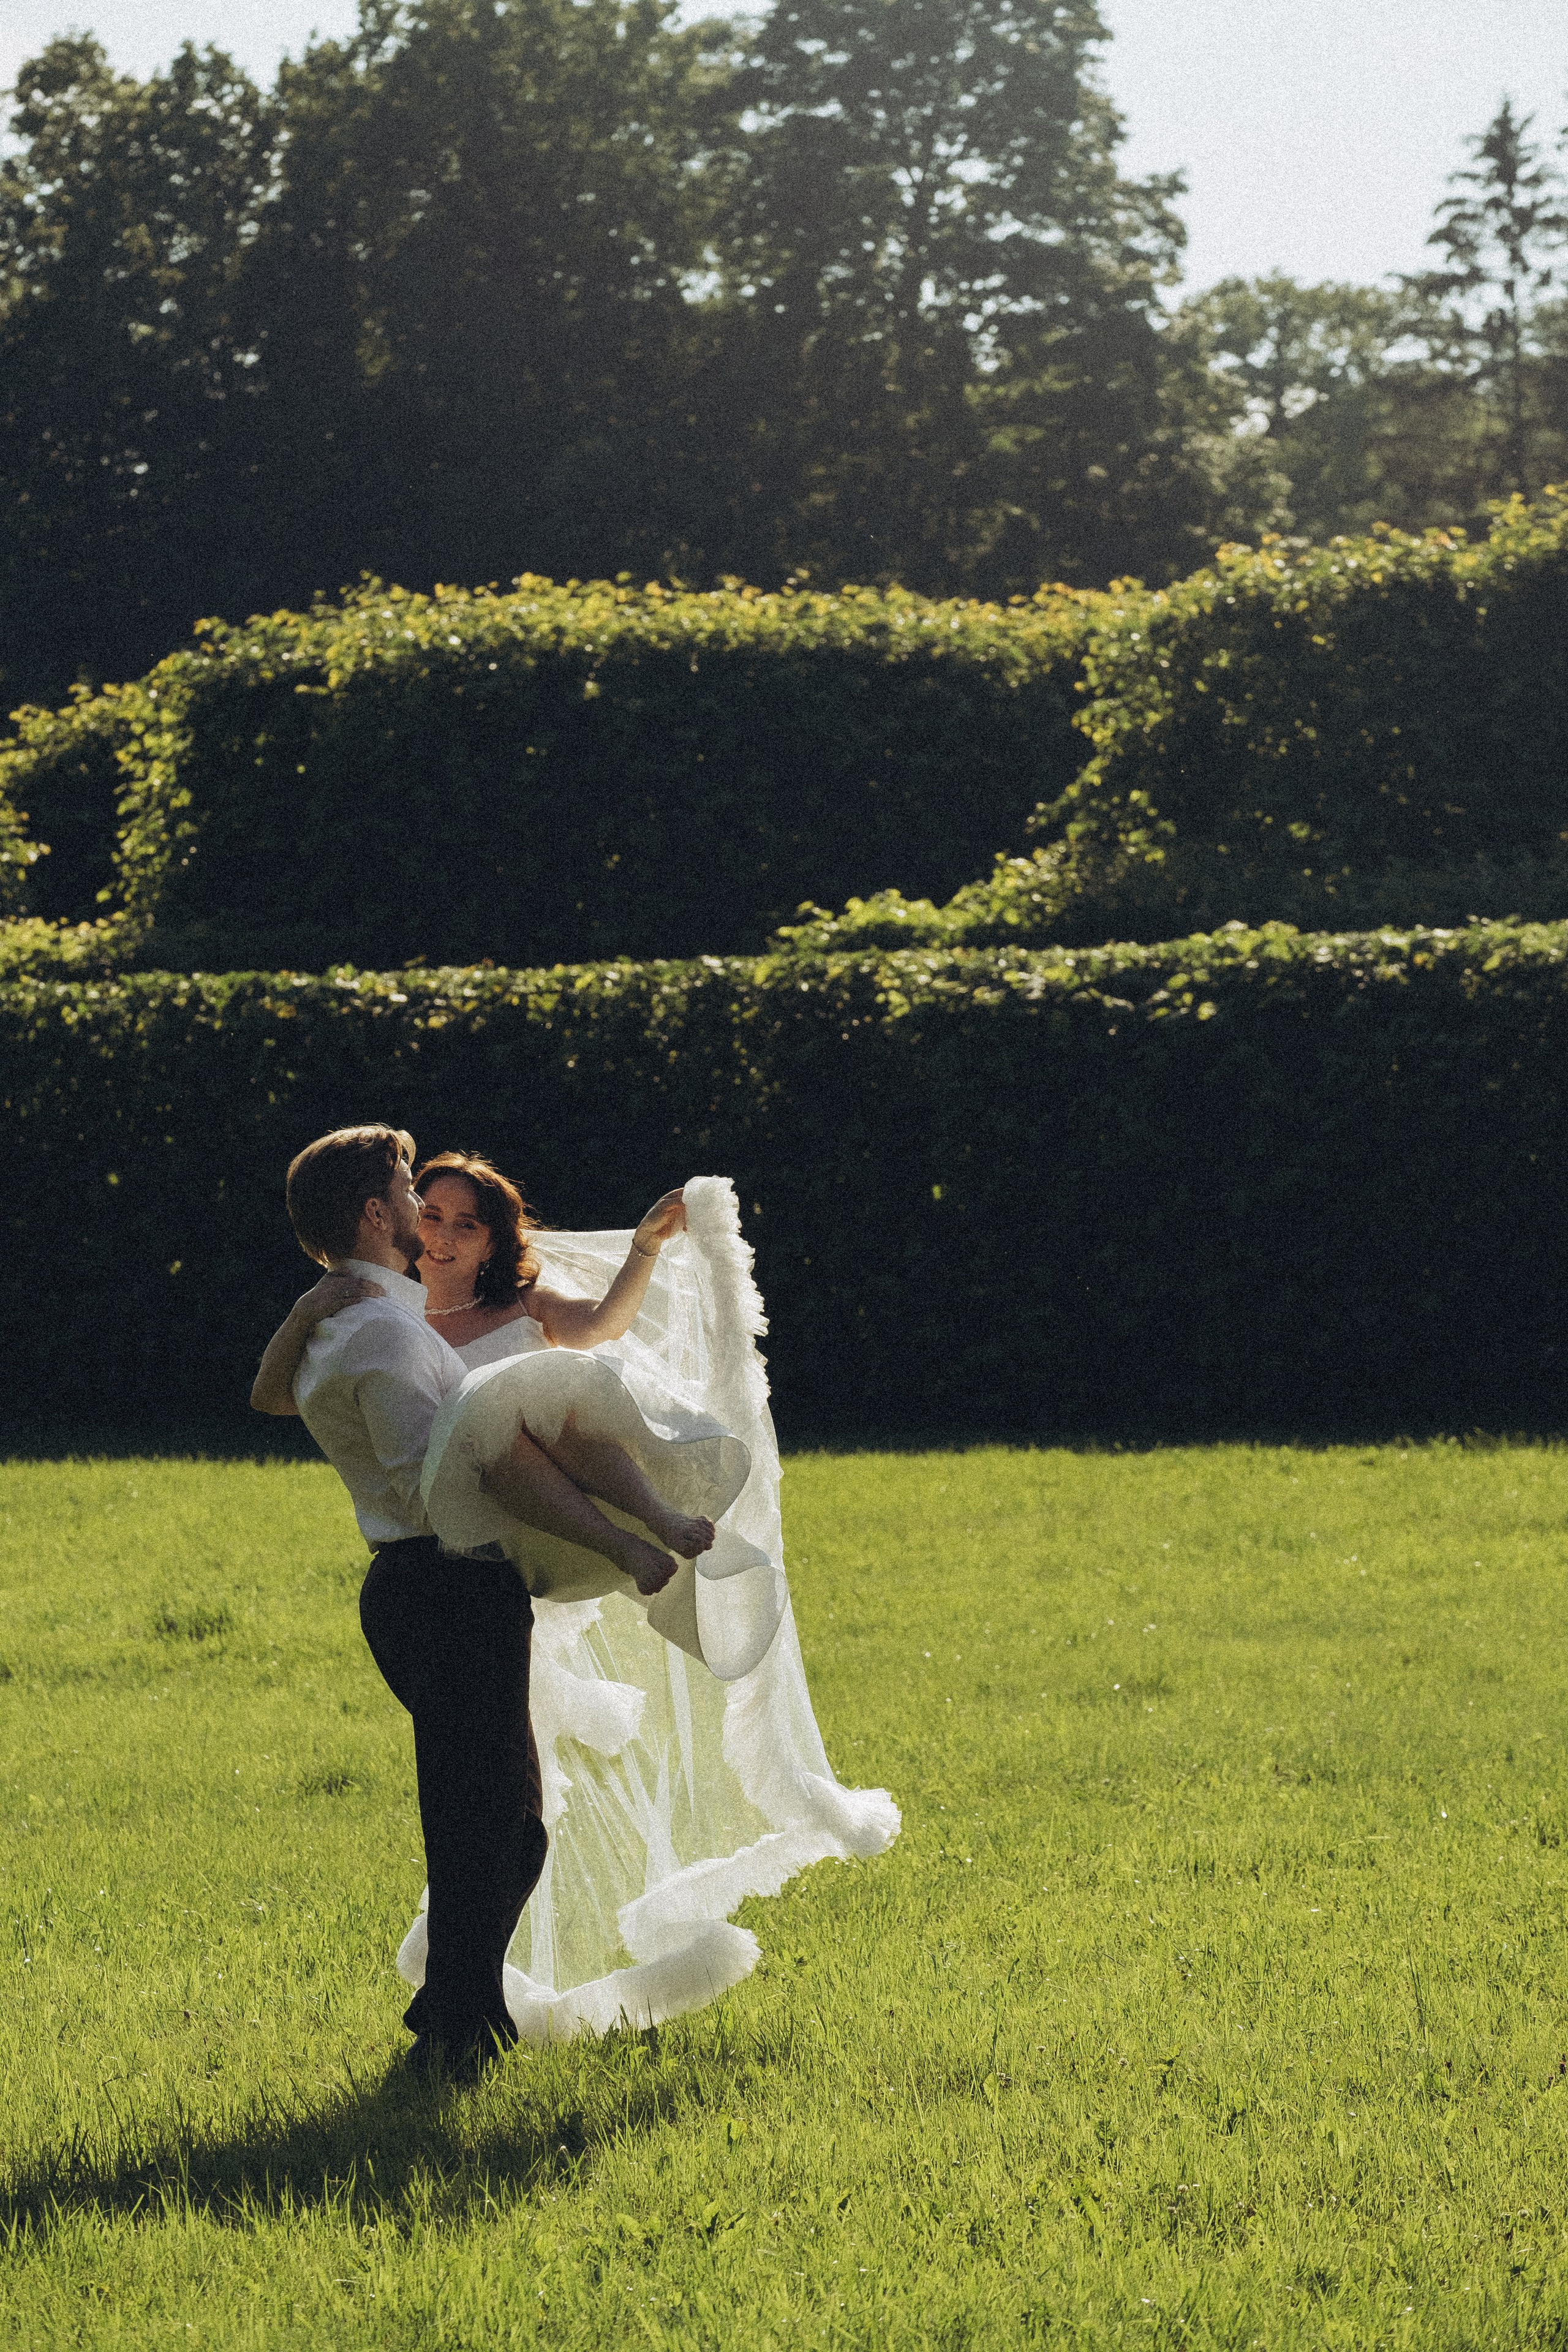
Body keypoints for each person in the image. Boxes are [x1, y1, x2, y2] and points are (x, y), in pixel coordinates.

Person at [259, 1134, 902, 2048]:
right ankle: (457, 2025)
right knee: (495, 1821)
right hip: (444, 1584)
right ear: (376, 1214)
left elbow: (286, 1396)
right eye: (411, 1192)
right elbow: (476, 1473)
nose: (424, 1215)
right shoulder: (387, 1331)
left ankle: (461, 2015)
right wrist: (611, 1537)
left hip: (446, 1586)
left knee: (494, 1820)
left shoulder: (362, 1320)